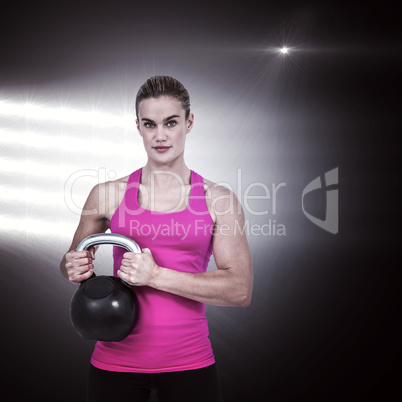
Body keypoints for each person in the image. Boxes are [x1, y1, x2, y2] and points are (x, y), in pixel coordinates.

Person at [60, 75, 253, 402]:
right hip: (114, 362)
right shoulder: (108, 195)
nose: (160, 136)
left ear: (189, 123)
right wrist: (72, 267)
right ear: (138, 127)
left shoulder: (218, 199)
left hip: (190, 362)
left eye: (171, 123)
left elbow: (239, 290)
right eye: (149, 124)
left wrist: (157, 276)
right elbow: (71, 265)